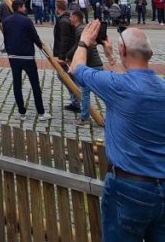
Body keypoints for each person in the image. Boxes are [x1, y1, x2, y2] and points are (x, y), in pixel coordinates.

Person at [71, 23, 165, 241]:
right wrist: (112, 58)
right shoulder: (160, 88)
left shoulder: (118, 87)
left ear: (124, 51)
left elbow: (77, 68)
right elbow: (132, 80)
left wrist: (84, 41)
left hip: (129, 188)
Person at [2, 0, 51, 123]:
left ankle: (21, 112)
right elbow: (34, 36)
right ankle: (41, 112)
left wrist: (9, 52)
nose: (25, 8)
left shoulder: (6, 21)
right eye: (24, 6)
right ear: (19, 7)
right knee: (35, 84)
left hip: (13, 56)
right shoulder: (26, 21)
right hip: (27, 56)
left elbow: (6, 38)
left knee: (17, 84)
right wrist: (41, 46)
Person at [66, 9, 114, 127]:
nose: (69, 19)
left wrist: (68, 56)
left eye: (71, 16)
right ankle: (111, 117)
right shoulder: (84, 30)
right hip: (97, 65)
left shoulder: (81, 31)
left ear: (76, 18)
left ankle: (84, 118)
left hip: (90, 66)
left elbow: (79, 47)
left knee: (85, 94)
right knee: (104, 93)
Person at [53, 0, 78, 113]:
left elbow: (64, 40)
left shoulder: (64, 21)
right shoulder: (66, 18)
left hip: (67, 54)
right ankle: (75, 100)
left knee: (65, 76)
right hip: (69, 53)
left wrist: (62, 57)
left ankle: (76, 101)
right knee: (67, 77)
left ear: (57, 8)